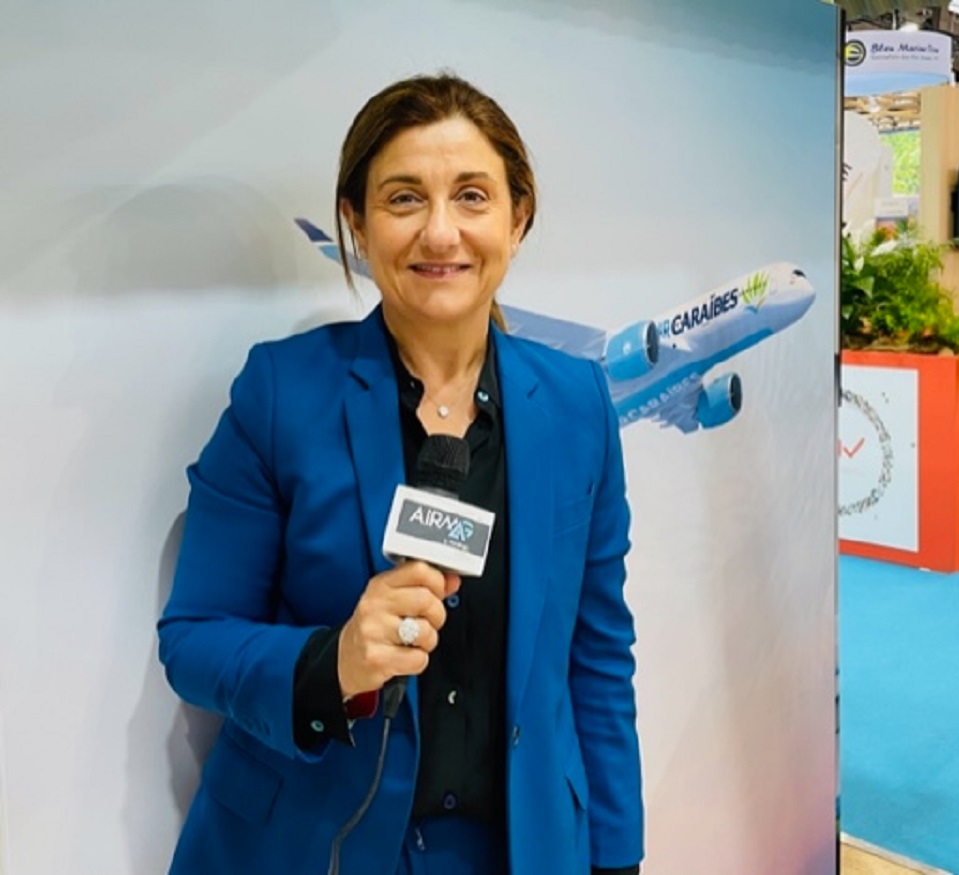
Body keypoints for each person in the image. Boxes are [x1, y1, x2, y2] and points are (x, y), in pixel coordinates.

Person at [157, 72, 644, 875]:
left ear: (518, 219)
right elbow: (194, 637)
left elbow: (597, 657)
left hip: (520, 848)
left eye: (474, 197)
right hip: (313, 845)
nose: (442, 233)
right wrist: (333, 660)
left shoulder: (577, 404)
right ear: (356, 221)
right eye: (405, 198)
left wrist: (617, 857)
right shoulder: (281, 393)